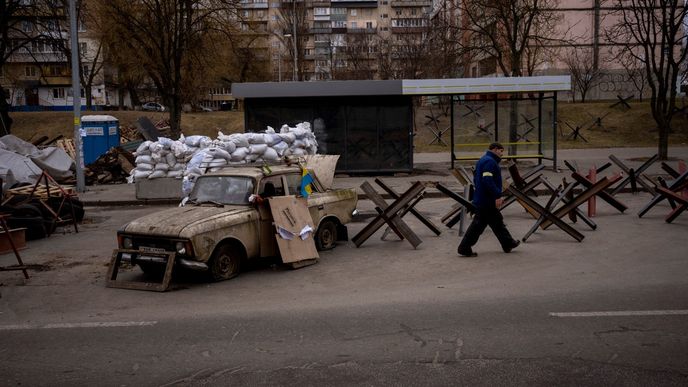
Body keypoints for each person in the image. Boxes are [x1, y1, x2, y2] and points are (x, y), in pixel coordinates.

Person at [457, 142, 520, 257]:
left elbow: (476, 179)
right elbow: (487, 180)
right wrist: (497, 195)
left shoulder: (483, 160)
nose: (502, 154)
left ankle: (508, 243)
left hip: (483, 198)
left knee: (496, 222)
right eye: (501, 151)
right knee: (479, 225)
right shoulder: (490, 162)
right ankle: (464, 247)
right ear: (495, 149)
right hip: (486, 200)